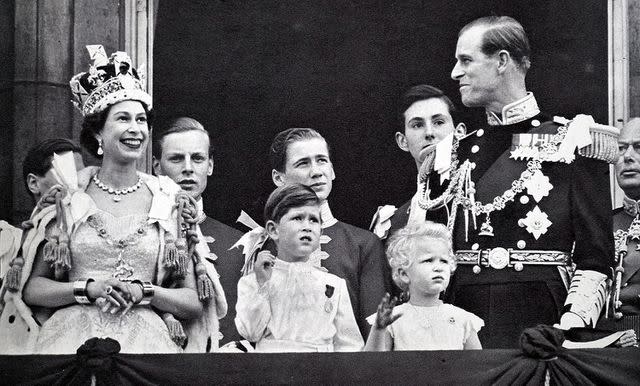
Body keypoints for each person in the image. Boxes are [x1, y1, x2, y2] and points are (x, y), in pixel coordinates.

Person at [0, 45, 219, 354]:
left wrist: (143, 291)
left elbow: (193, 302)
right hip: (69, 344)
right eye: (123, 119)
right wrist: (89, 289)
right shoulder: (68, 200)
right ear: (99, 133)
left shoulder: (169, 201)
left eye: (141, 120)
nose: (136, 129)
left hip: (148, 348)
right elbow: (33, 288)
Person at [446, 16, 615, 348]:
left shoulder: (573, 142)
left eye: (466, 60)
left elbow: (595, 256)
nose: (455, 72)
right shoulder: (455, 153)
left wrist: (570, 325)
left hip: (541, 318)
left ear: (502, 62)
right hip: (462, 318)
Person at [235, 127, 390, 338]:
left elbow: (375, 329)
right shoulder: (263, 246)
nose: (316, 171)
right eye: (303, 163)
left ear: (333, 170)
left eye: (322, 160)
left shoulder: (363, 243)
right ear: (279, 178)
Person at [235, 183, 363, 352]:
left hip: (321, 373)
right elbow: (250, 333)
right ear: (273, 230)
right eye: (297, 218)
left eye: (313, 220)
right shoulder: (253, 282)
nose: (307, 226)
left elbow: (349, 345)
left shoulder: (333, 285)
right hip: (271, 371)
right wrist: (262, 286)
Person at [153, 117, 244, 346]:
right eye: (176, 158)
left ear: (210, 166)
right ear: (156, 166)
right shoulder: (145, 234)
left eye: (197, 158)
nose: (188, 168)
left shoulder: (239, 243)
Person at [364, 221, 483, 351]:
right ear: (404, 274)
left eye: (444, 261)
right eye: (428, 260)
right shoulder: (393, 318)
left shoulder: (463, 319)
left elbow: (478, 366)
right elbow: (372, 364)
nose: (438, 268)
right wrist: (379, 330)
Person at [371, 84, 465, 241]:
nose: (429, 133)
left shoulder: (481, 196)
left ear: (460, 132)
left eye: (439, 122)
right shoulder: (394, 223)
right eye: (417, 125)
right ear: (403, 141)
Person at [601, 117, 640, 339]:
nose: (627, 156)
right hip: (602, 348)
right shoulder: (603, 223)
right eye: (621, 148)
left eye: (639, 147)